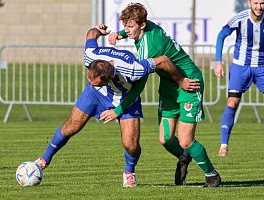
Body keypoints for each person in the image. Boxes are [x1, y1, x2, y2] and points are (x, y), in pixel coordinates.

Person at [34, 24, 199, 188]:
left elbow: (163, 60)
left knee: (131, 144)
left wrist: (181, 80)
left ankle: (129, 172)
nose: (91, 84)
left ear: (108, 78)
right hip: (97, 96)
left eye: (95, 82)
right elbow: (91, 33)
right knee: (70, 127)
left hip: (126, 98)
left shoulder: (132, 69)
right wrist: (100, 30)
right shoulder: (90, 56)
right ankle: (44, 160)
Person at [107, 3, 221, 187]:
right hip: (170, 87)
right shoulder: (146, 26)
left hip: (189, 83)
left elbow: (139, 86)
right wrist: (118, 34)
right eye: (125, 25)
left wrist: (118, 109)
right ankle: (184, 158)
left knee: (185, 140)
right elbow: (131, 28)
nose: (127, 30)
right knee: (165, 139)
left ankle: (212, 175)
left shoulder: (150, 48)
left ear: (142, 25)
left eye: (130, 26)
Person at [214, 0, 264, 157]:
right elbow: (221, 35)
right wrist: (218, 62)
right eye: (255, 3)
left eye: (262, 3)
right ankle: (223, 146)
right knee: (232, 102)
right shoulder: (239, 19)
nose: (259, 7)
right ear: (249, 3)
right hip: (241, 66)